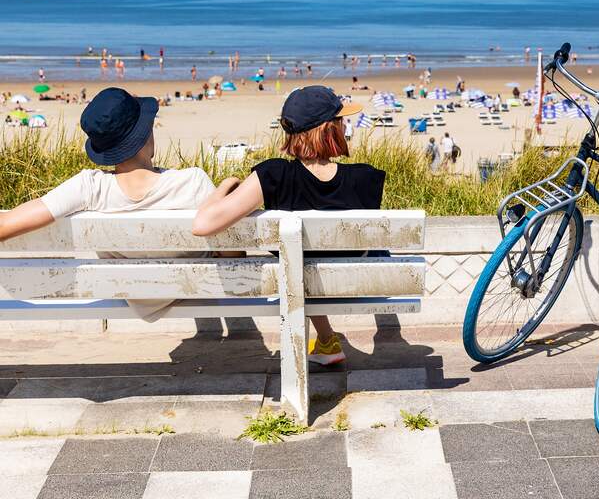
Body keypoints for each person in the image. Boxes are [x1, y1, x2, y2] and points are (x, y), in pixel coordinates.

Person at [0, 87, 236, 321]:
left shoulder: (89, 187)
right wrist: (227, 186)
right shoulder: (192, 182)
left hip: (134, 294)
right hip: (194, 288)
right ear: (145, 134)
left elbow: (4, 225)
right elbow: (233, 256)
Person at [192, 86, 380, 366]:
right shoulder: (365, 178)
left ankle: (327, 340)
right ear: (329, 129)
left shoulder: (275, 175)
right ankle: (326, 339)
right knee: (306, 262)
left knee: (298, 261)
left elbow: (202, 225)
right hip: (353, 283)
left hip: (294, 278)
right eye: (340, 120)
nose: (344, 125)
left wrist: (227, 185)